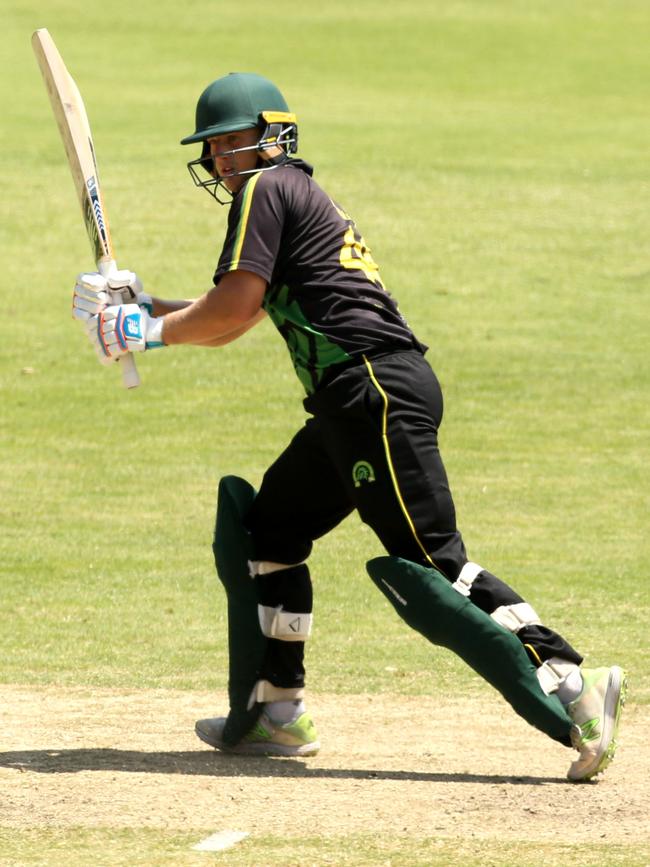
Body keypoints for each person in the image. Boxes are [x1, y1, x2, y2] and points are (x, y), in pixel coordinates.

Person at [73, 72, 626, 781]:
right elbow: (238, 306)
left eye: (232, 143)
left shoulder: (266, 190)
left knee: (431, 562)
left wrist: (142, 333)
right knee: (269, 529)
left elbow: (233, 312)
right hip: (351, 399)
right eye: (212, 149)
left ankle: (574, 678)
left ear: (274, 138)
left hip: (372, 390)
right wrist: (142, 306)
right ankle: (278, 710)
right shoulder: (292, 194)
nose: (220, 161)